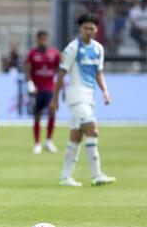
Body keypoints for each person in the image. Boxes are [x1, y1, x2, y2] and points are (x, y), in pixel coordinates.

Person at [49, 13, 116, 187]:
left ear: (96, 30)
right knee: (92, 130)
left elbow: (99, 73)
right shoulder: (73, 48)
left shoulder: (98, 49)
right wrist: (55, 98)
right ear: (80, 29)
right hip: (75, 96)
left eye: (91, 28)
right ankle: (97, 175)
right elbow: (62, 73)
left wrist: (105, 92)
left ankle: (65, 177)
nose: (88, 31)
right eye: (85, 28)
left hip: (89, 96)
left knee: (75, 137)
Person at [25, 31, 60, 154]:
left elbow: (59, 71)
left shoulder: (54, 53)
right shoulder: (32, 54)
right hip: (37, 90)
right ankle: (37, 143)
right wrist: (30, 85)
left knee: (52, 113)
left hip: (50, 88)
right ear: (37, 39)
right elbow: (28, 71)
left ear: (48, 39)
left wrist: (60, 88)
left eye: (45, 38)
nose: (43, 41)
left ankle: (49, 141)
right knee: (37, 115)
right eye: (41, 39)